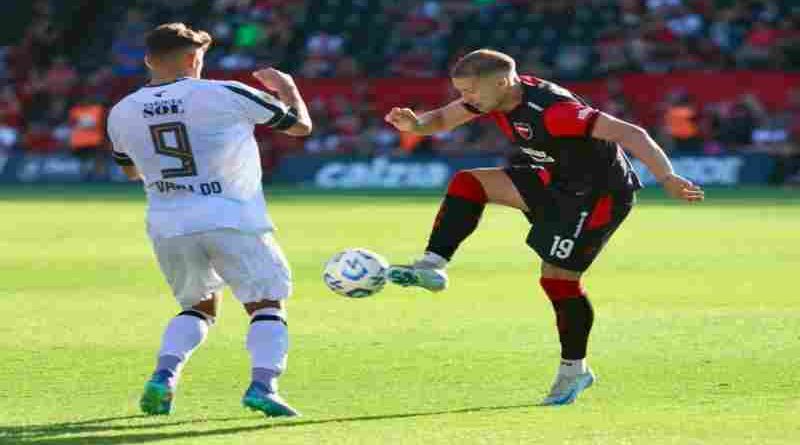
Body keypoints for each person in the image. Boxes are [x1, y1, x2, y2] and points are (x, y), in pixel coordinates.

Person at [383, 49, 703, 406]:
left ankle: (574, 370)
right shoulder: (492, 97)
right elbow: (443, 118)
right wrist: (416, 125)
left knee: (557, 280)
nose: (466, 99)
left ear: (502, 82)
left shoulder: (554, 111)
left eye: (470, 91)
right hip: (555, 182)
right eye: (462, 91)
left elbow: (631, 133)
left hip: (597, 196)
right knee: (469, 183)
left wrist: (667, 176)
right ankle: (431, 266)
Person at [106, 23, 312, 417]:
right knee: (267, 304)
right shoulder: (226, 92)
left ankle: (163, 378)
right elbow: (300, 127)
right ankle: (263, 386)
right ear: (192, 59)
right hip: (231, 217)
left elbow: (130, 172)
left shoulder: (121, 111)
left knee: (198, 308)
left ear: (149, 60)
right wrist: (287, 89)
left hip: (168, 224)